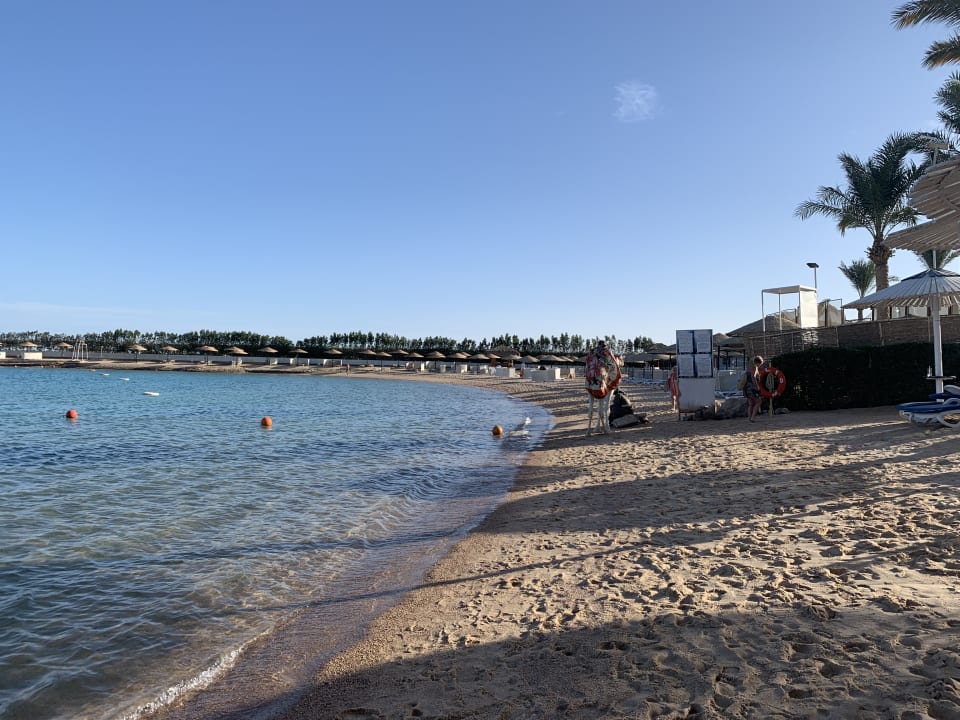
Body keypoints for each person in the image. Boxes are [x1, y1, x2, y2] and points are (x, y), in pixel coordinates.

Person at [742, 355, 764, 422]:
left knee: (751, 403)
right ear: (758, 362)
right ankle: (753, 418)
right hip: (752, 387)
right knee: (759, 401)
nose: (760, 365)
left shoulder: (749, 367)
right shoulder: (755, 367)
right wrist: (757, 386)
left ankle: (749, 418)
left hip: (746, 387)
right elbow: (753, 377)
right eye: (760, 364)